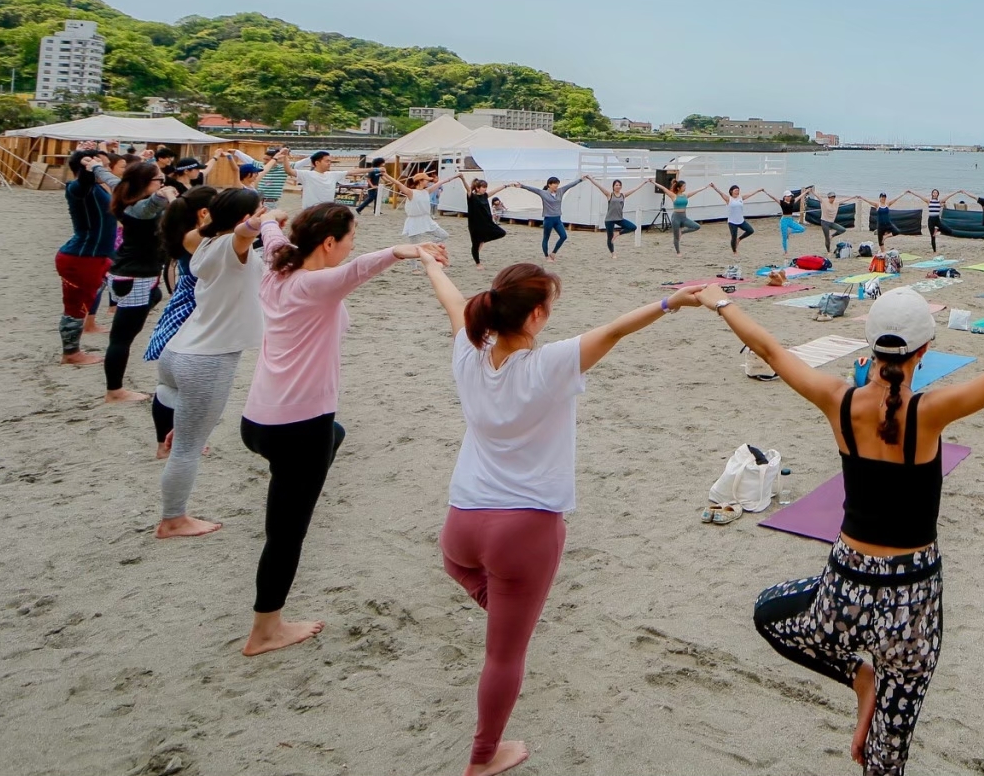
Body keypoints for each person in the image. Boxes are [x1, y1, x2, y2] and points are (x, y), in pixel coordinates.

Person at [706, 285, 984, 776]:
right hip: (914, 611)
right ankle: (871, 689)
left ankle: (861, 680)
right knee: (885, 763)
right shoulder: (930, 412)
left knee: (768, 614)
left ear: (869, 349)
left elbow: (772, 350)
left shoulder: (838, 401)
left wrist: (720, 302)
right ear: (924, 352)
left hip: (843, 595)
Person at [421, 258, 707, 776]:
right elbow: (617, 329)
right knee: (504, 655)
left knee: (462, 571)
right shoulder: (549, 363)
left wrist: (425, 261)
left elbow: (449, 298)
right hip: (523, 529)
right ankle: (484, 757)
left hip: (461, 522)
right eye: (549, 307)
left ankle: (504, 608)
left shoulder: (468, 349)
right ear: (534, 316)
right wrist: (671, 302)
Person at [238, 204, 442, 656]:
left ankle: (300, 472)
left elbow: (271, 234)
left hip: (257, 420)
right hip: (299, 427)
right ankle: (265, 632)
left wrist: (267, 218)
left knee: (335, 437)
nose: (353, 243)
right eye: (350, 235)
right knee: (286, 535)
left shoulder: (279, 264)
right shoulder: (315, 284)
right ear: (328, 243)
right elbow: (358, 269)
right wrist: (403, 250)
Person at [156, 187, 268, 539]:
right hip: (207, 359)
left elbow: (228, 232)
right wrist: (261, 221)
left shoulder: (200, 243)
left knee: (187, 426)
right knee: (188, 449)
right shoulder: (231, 246)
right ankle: (173, 520)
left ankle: (184, 421)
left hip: (178, 352)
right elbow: (243, 233)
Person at [142, 186, 220, 453]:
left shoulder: (184, 230)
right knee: (187, 386)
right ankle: (179, 442)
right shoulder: (198, 238)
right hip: (191, 313)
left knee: (170, 386)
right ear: (204, 213)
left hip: (180, 311)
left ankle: (164, 444)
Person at [103, 161, 173, 401]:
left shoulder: (125, 192)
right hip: (134, 276)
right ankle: (115, 391)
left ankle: (115, 389)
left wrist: (94, 166)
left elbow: (110, 178)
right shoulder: (140, 208)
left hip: (132, 274)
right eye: (159, 180)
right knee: (121, 339)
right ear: (144, 183)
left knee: (155, 297)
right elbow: (154, 204)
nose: (163, 184)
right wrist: (165, 194)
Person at [56, 148, 117, 367]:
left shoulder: (95, 188)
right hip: (82, 257)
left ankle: (75, 347)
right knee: (75, 307)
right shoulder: (77, 188)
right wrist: (89, 166)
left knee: (85, 301)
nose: (106, 169)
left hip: (95, 256)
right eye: (103, 165)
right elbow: (84, 181)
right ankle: (71, 353)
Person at [466, 178, 509, 269]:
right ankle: (478, 264)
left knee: (502, 233)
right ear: (477, 188)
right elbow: (468, 189)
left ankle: (483, 240)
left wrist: (505, 186)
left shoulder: (485, 196)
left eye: (486, 187)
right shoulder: (472, 197)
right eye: (483, 187)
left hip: (488, 223)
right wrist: (462, 178)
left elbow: (495, 191)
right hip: (476, 224)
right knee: (475, 244)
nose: (485, 189)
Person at [401, 171, 451, 245]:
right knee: (415, 246)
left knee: (444, 235)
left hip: (426, 219)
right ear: (420, 181)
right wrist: (385, 175)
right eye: (426, 180)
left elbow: (440, 183)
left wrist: (456, 176)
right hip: (414, 221)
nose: (428, 181)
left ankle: (426, 245)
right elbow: (398, 183)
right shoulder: (411, 192)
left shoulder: (426, 191)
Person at [535, 178, 569, 259]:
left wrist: (580, 180)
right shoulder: (543, 193)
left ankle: (553, 253)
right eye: (555, 184)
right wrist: (521, 186)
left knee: (564, 236)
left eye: (557, 183)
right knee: (546, 238)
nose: (557, 185)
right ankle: (546, 256)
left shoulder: (560, 191)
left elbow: (570, 185)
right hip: (548, 219)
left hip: (557, 219)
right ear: (549, 185)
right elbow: (533, 189)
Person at [603, 180, 637, 255]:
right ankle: (613, 253)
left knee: (633, 227)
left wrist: (644, 183)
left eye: (619, 185)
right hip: (609, 219)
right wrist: (590, 179)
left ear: (621, 186)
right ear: (613, 187)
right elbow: (599, 187)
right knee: (610, 237)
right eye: (616, 185)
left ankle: (617, 233)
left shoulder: (623, 195)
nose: (618, 186)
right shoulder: (610, 194)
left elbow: (634, 189)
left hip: (619, 218)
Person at [669, 182, 700, 254]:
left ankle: (682, 232)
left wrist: (705, 187)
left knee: (696, 226)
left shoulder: (685, 195)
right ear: (678, 188)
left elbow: (695, 191)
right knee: (676, 236)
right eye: (683, 186)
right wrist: (653, 182)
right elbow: (663, 189)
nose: (685, 188)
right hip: (676, 217)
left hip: (683, 217)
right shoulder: (674, 196)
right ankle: (678, 252)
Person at [782, 186, 813, 255]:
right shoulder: (782, 203)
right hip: (784, 220)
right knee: (784, 238)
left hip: (790, 219)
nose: (790, 197)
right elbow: (773, 198)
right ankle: (785, 251)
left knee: (802, 229)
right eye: (788, 196)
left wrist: (806, 191)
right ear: (785, 197)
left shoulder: (792, 202)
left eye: (790, 196)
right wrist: (766, 192)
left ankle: (790, 232)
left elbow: (800, 196)